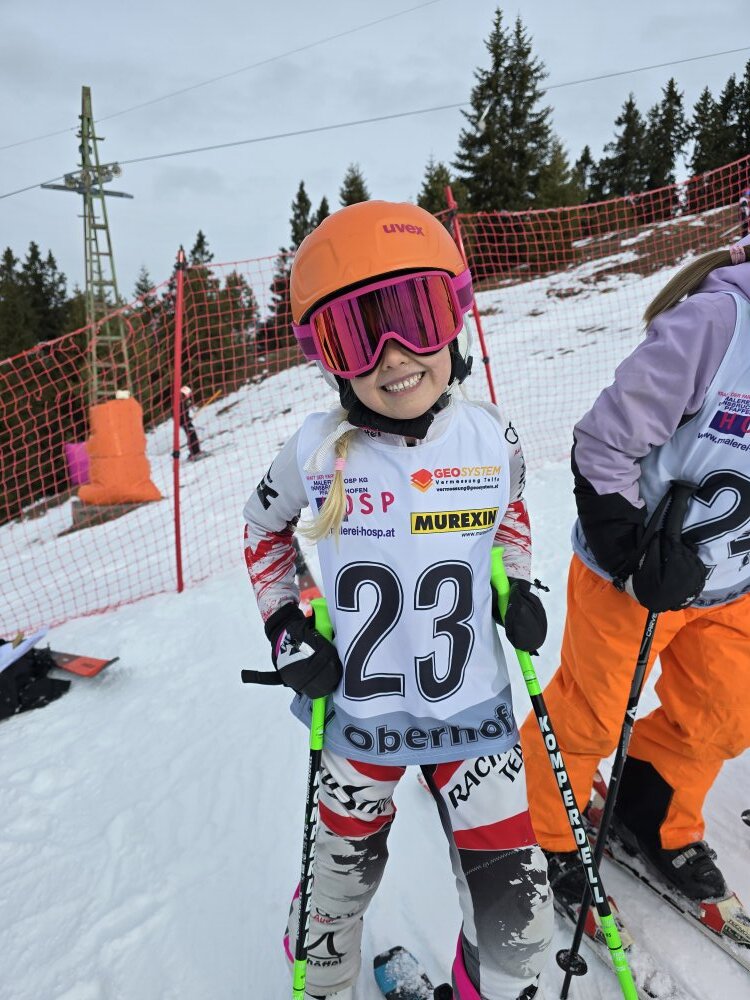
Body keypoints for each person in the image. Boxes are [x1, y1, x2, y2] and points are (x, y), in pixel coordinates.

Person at [243, 201, 554, 1000]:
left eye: (415, 317)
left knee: (518, 923)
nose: (393, 356)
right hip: (362, 723)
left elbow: (510, 516)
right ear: (329, 360)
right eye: (357, 335)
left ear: (454, 318)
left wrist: (516, 583)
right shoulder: (316, 452)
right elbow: (263, 532)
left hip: (473, 717)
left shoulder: (491, 439)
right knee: (333, 900)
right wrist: (288, 626)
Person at [520, 238, 750, 910]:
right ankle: (547, 833)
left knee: (723, 714)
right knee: (591, 716)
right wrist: (628, 555)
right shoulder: (716, 323)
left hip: (733, 586)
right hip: (635, 581)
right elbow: (603, 440)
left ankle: (651, 809)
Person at [179, 385, 202, 460]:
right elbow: (181, 414)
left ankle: (195, 452)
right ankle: (194, 453)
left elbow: (186, 411)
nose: (189, 395)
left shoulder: (184, 401)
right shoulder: (180, 402)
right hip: (184, 422)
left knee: (192, 435)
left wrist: (188, 418)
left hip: (185, 421)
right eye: (188, 394)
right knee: (192, 436)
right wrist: (186, 419)